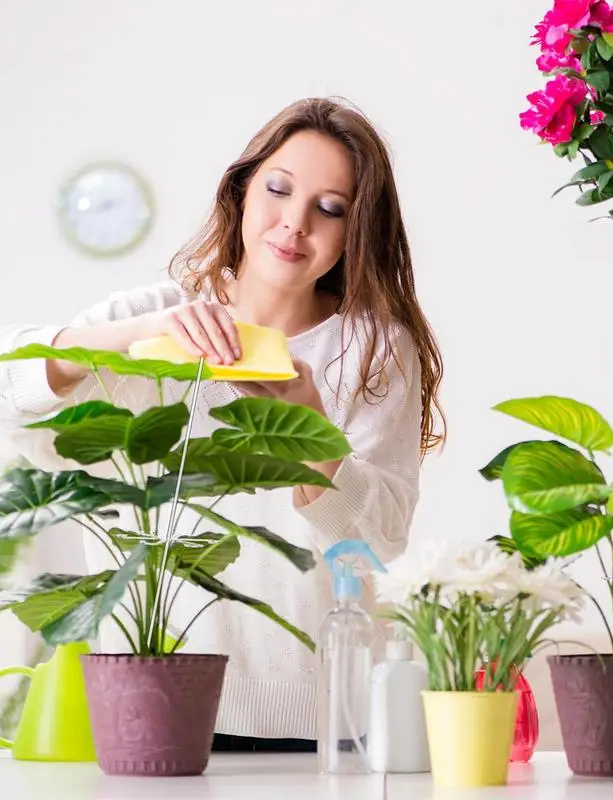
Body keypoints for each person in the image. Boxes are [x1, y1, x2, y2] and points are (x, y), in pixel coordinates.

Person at [0, 97, 445, 752]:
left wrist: (308, 420)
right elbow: (14, 389)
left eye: (330, 208)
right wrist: (138, 334)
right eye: (278, 189)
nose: (294, 224)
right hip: (143, 700)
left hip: (309, 718)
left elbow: (378, 539)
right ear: (240, 191)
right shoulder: (154, 318)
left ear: (357, 230)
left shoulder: (376, 349)